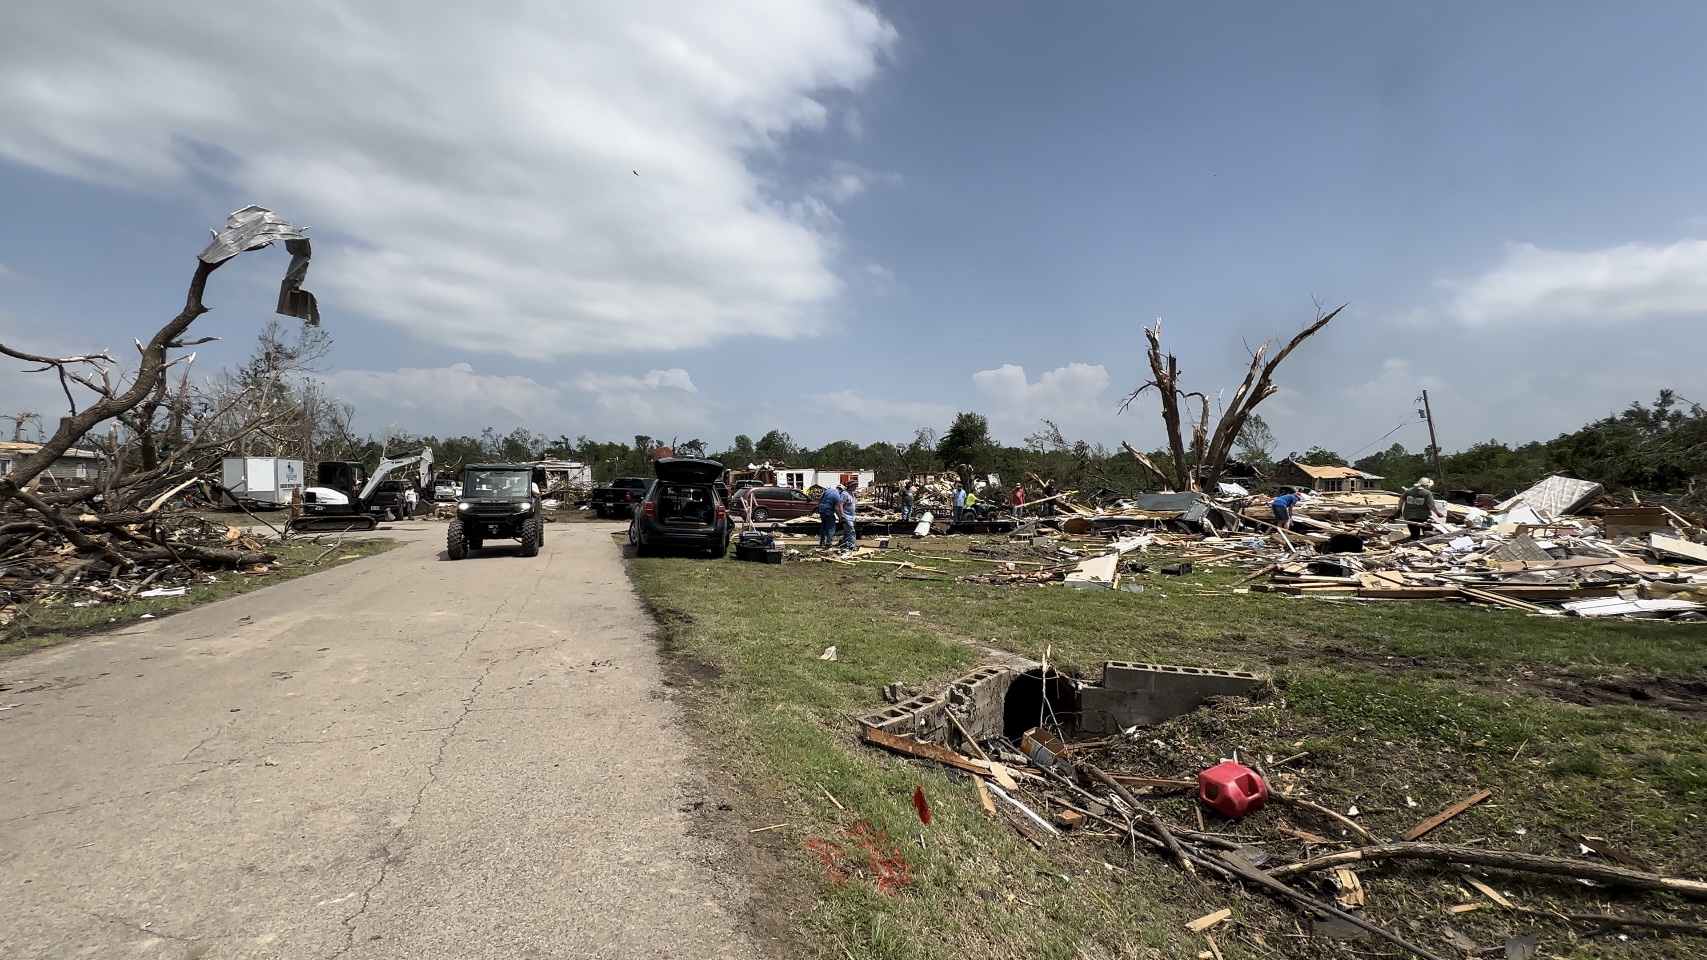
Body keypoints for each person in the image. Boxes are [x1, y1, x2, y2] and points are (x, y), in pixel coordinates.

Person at [1400, 476, 1443, 541]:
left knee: (1414, 534)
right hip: (1423, 516)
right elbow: (1430, 505)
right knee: (1428, 534)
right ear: (1428, 485)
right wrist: (1437, 513)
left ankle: (1412, 545)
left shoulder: (1409, 491)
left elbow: (1401, 500)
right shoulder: (1427, 493)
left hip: (1409, 515)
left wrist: (1398, 509)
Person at [839, 482, 858, 550]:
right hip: (846, 516)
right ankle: (852, 545)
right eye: (855, 486)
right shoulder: (845, 494)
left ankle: (844, 543)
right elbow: (840, 505)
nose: (856, 487)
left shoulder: (851, 493)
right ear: (851, 486)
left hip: (851, 516)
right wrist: (842, 516)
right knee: (851, 531)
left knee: (847, 532)